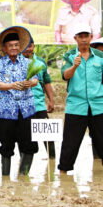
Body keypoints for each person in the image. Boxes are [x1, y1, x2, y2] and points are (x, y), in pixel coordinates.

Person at [0, 26, 39, 176]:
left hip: (26, 110)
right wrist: (12, 85)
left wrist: (29, 83)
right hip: (6, 111)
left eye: (16, 45)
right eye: (10, 45)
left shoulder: (27, 62)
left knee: (29, 144)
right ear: (5, 48)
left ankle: (23, 176)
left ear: (20, 46)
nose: (14, 48)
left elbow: (35, 80)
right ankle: (5, 179)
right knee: (6, 145)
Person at [58, 25, 103, 173]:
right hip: (76, 105)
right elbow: (65, 76)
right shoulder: (69, 56)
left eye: (86, 36)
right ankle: (64, 173)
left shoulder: (100, 56)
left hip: (98, 105)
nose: (84, 39)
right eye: (80, 36)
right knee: (70, 142)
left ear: (91, 37)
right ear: (75, 38)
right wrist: (74, 67)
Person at [22, 38, 55, 158]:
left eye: (30, 46)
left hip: (39, 105)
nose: (27, 49)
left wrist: (51, 100)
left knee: (48, 136)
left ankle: (52, 161)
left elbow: (47, 82)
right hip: (23, 107)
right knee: (25, 138)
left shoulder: (40, 62)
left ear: (34, 46)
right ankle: (25, 168)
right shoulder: (15, 62)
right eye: (24, 46)